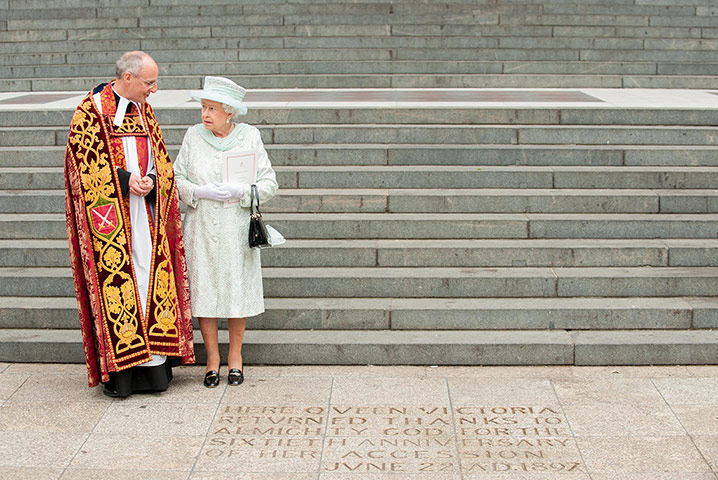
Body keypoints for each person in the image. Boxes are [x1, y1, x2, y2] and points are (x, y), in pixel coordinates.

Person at [64, 51, 195, 397]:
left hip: (147, 218)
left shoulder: (143, 110)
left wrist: (152, 179)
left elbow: (162, 160)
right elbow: (82, 168)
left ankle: (155, 370)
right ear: (127, 79)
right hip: (110, 221)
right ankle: (122, 375)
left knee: (148, 280)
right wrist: (123, 182)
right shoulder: (90, 111)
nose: (154, 89)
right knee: (123, 287)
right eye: (149, 82)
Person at [173, 76, 278, 388]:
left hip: (235, 226)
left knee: (236, 292)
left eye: (212, 109)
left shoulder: (250, 137)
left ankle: (235, 356)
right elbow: (175, 177)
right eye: (204, 108)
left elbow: (270, 183)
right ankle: (212, 359)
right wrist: (200, 191)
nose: (205, 114)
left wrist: (242, 190)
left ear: (229, 112)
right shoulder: (193, 136)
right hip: (202, 226)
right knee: (204, 291)